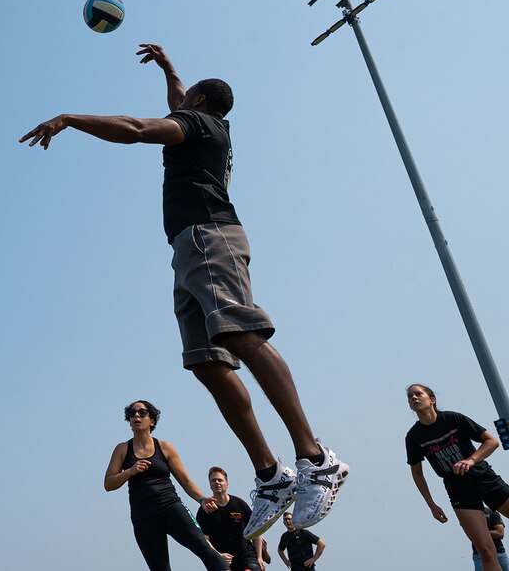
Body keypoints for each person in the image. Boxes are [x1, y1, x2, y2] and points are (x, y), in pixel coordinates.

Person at [20, 44, 348, 537]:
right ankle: (271, 475)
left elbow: (136, 130)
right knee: (206, 361)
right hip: (188, 247)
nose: (177, 102)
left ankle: (316, 457)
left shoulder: (199, 126)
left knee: (241, 334)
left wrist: (69, 118)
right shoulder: (206, 122)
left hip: (209, 237)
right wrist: (170, 69)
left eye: (184, 98)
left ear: (195, 104)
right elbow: (180, 99)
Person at [104, 400, 228, 570]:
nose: (136, 416)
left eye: (142, 412)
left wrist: (202, 499)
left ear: (152, 420)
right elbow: (108, 483)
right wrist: (129, 472)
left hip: (171, 507)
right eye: (132, 413)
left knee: (204, 547)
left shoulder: (165, 447)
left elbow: (185, 481)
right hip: (143, 517)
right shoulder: (122, 449)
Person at [405, 383, 509, 571]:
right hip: (459, 491)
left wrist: (471, 460)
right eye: (410, 396)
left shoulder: (453, 419)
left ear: (432, 400)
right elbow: (417, 473)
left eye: (418, 394)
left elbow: (492, 441)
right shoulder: (413, 436)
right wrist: (432, 504)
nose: (413, 398)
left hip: (484, 478)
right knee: (485, 550)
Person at [197, 467, 265, 570]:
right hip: (221, 558)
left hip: (246, 557)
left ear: (227, 484)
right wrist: (218, 555)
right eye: (213, 480)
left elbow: (256, 531)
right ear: (210, 484)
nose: (217, 482)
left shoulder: (240, 504)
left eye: (220, 480)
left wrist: (259, 557)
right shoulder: (205, 510)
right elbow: (204, 541)